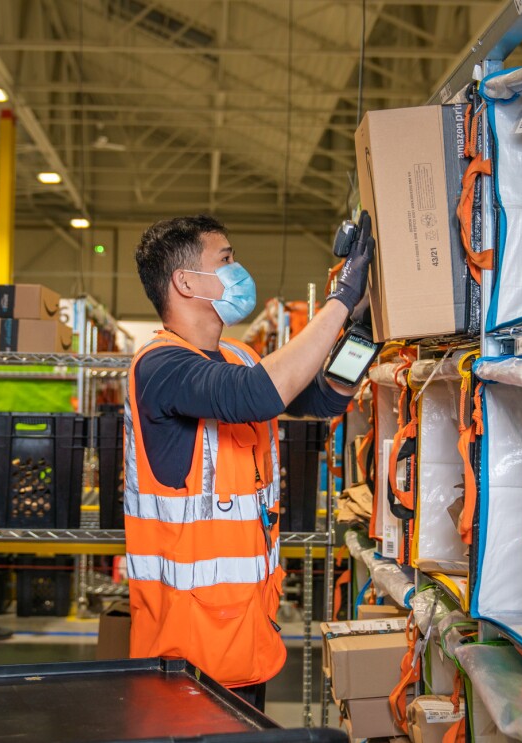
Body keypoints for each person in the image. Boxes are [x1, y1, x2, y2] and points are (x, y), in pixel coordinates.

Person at [124, 213, 374, 711]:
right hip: (184, 655)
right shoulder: (160, 366)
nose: (240, 271)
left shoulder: (238, 357)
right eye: (227, 259)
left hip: (246, 633)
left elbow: (325, 398)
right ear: (186, 281)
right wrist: (339, 300)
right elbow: (257, 396)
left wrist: (363, 329)